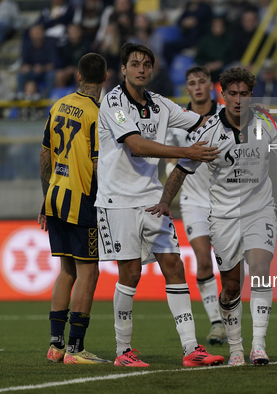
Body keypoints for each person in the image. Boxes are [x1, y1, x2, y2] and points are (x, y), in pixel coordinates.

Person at [148, 67, 277, 366]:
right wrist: (164, 202)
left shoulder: (266, 124)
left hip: (260, 209)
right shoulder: (208, 132)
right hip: (223, 217)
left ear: (252, 95)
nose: (238, 100)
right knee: (232, 287)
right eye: (233, 94)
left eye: (244, 94)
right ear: (223, 95)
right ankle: (235, 347)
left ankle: (258, 345)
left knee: (261, 267)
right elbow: (182, 169)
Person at [96, 42, 224, 368]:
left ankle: (191, 348)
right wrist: (188, 153)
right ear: (123, 69)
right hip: (118, 201)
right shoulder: (113, 102)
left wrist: (233, 121)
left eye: (146, 64)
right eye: (135, 64)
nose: (141, 69)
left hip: (153, 199)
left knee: (174, 265)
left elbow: (199, 122)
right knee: (130, 272)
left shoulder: (160, 104)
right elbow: (136, 146)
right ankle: (123, 351)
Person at [38, 52, 110, 364]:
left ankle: (56, 346)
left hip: (54, 196)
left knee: (66, 270)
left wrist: (45, 196)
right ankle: (77, 349)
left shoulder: (58, 105)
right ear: (105, 78)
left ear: (78, 76)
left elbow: (44, 156)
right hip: (82, 201)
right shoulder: (98, 113)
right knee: (88, 271)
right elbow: (96, 164)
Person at [165, 65, 227, 346]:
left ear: (211, 85)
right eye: (192, 83)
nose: (198, 86)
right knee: (203, 259)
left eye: (202, 81)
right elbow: (168, 158)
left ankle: (229, 316)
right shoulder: (178, 119)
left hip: (225, 199)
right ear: (187, 89)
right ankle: (216, 323)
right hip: (193, 200)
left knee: (229, 264)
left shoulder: (225, 115)